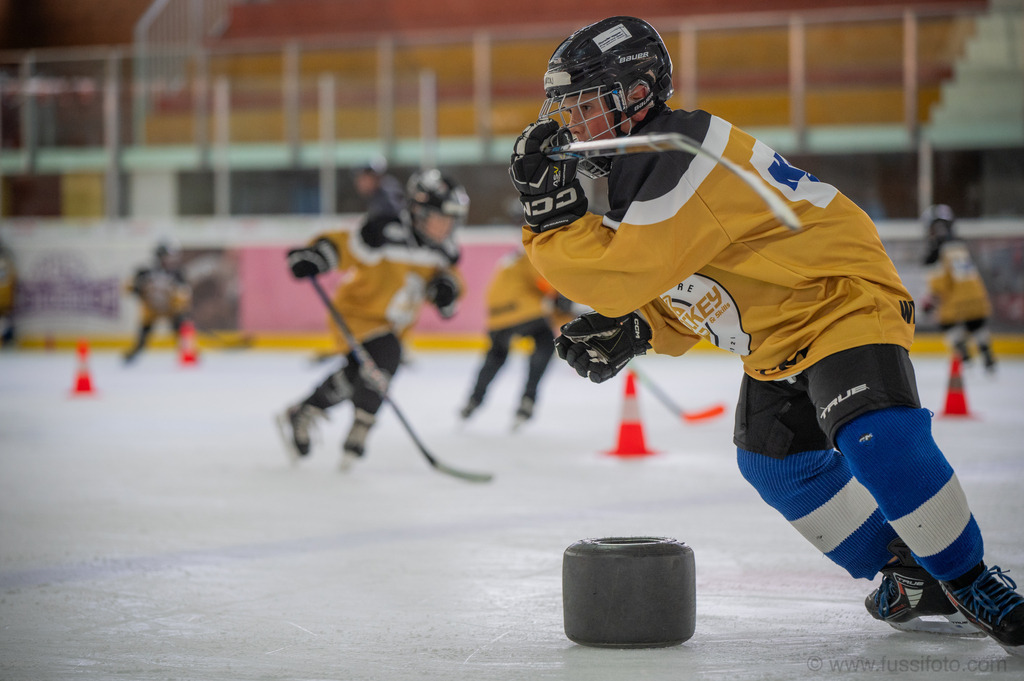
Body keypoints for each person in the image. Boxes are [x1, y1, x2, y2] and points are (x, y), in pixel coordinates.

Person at [512, 16, 1023, 655]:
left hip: (835, 297)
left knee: (876, 435)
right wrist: (642, 332)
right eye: (568, 108)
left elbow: (619, 277)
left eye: (585, 105)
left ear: (636, 96)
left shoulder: (677, 151)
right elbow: (697, 281)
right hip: (777, 328)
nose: (571, 124)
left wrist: (549, 222)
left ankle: (971, 577)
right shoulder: (642, 165)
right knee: (775, 464)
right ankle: (913, 572)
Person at [278, 169, 468, 470]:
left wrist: (447, 291)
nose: (446, 228)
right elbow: (344, 246)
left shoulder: (444, 250)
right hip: (356, 315)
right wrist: (317, 255)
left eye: (451, 221)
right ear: (418, 210)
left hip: (392, 325)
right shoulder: (384, 230)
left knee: (359, 374)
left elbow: (449, 282)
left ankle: (303, 411)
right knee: (387, 355)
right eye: (439, 218)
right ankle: (362, 425)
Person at [459, 248, 574, 429]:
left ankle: (474, 399)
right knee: (545, 342)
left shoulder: (511, 261)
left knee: (496, 355)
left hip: (496, 316)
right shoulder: (534, 256)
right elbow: (546, 285)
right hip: (522, 310)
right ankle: (528, 398)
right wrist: (563, 304)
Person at [920, 204, 996, 371]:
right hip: (976, 295)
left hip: (953, 298)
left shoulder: (935, 251)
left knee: (948, 323)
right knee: (976, 324)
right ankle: (986, 352)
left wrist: (932, 299)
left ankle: (964, 355)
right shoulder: (962, 244)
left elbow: (939, 280)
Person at [123, 241, 192, 364]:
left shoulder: (177, 273)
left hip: (171, 309)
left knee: (180, 328)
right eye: (167, 256)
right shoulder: (145, 272)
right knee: (144, 332)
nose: (170, 260)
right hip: (151, 309)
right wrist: (137, 289)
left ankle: (187, 352)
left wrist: (181, 302)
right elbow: (132, 288)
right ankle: (136, 351)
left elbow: (184, 292)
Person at [353, 156, 405, 220]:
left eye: (363, 178)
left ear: (374, 177)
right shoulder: (375, 196)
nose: (359, 183)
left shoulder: (387, 195)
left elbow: (397, 218)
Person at [0, 238, 16, 348]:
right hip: (4, 297)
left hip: (4, 297)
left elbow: (8, 280)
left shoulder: (4, 261)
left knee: (4, 319)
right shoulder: (5, 260)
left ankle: (6, 339)